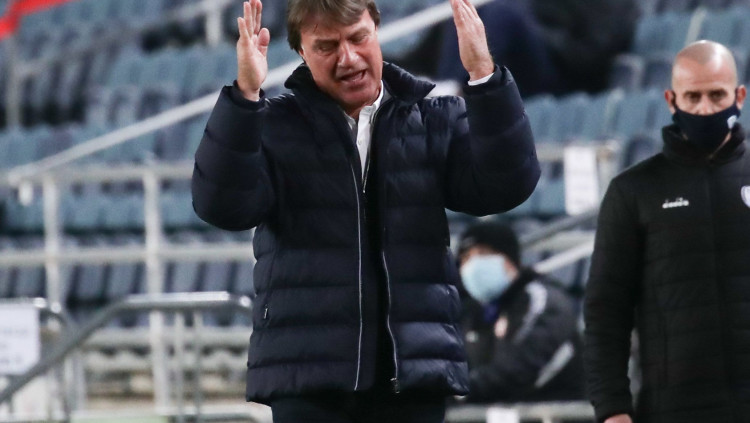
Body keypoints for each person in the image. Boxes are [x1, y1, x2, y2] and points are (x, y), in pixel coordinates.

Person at [190, 0, 540, 421]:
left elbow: (506, 186)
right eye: (326, 46)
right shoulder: (271, 126)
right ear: (300, 52)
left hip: (412, 379)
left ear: (377, 30)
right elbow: (222, 206)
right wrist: (244, 97)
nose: (348, 58)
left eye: (358, 38)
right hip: (309, 380)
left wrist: (484, 76)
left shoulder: (433, 119)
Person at [584, 40, 750, 423]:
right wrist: (612, 408)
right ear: (671, 100)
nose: (705, 108)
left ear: (739, 96)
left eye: (717, 95)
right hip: (674, 410)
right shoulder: (633, 191)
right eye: (692, 97)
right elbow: (606, 311)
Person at [457, 222, 585, 403]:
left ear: (509, 259)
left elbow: (520, 368)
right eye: (466, 258)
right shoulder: (473, 312)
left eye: (483, 254)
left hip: (558, 411)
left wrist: (462, 391)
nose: (473, 265)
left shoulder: (543, 300)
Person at [400, 0, 637, 97]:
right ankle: (446, 88)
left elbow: (594, 52)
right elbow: (424, 53)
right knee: (466, 8)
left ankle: (455, 90)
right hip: (510, 68)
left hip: (562, 78)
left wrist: (537, 32)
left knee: (503, 12)